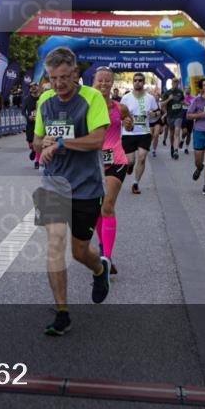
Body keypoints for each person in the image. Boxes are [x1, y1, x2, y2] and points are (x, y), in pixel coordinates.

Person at [33, 46, 111, 337]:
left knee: (80, 252)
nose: (57, 85)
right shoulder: (45, 101)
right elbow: (37, 141)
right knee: (54, 245)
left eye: (63, 78)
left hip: (86, 187)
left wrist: (63, 144)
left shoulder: (92, 99)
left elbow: (96, 140)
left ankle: (99, 269)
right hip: (53, 184)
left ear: (75, 73)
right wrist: (45, 146)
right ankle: (62, 312)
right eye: (52, 79)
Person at [91, 67, 133, 276]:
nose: (104, 84)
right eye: (100, 81)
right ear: (93, 82)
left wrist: (128, 123)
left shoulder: (120, 108)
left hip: (116, 159)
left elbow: (130, 125)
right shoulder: (85, 106)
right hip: (92, 163)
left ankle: (106, 258)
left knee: (107, 205)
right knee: (98, 208)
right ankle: (103, 247)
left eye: (108, 81)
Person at [120, 72, 160, 195]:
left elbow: (158, 111)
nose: (137, 82)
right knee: (130, 161)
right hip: (128, 133)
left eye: (140, 80)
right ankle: (130, 166)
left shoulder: (150, 98)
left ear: (143, 82)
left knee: (142, 158)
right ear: (133, 82)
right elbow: (120, 114)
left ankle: (135, 183)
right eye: (135, 80)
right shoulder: (126, 98)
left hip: (144, 132)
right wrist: (125, 119)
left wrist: (154, 114)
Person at [160, 77, 187, 159]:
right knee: (171, 134)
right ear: (171, 84)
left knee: (177, 132)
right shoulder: (167, 93)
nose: (175, 84)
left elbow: (182, 101)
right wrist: (169, 99)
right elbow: (162, 104)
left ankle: (176, 150)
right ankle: (172, 146)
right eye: (174, 83)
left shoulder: (180, 92)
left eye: (177, 83)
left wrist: (189, 104)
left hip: (178, 115)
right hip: (170, 116)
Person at [22, 83, 42, 169]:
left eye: (35, 85)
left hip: (40, 123)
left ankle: (37, 161)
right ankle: (33, 150)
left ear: (38, 87)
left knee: (39, 143)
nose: (33, 87)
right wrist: (28, 117)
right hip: (30, 124)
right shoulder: (27, 99)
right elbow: (23, 111)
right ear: (30, 89)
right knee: (31, 144)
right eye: (31, 86)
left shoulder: (42, 97)